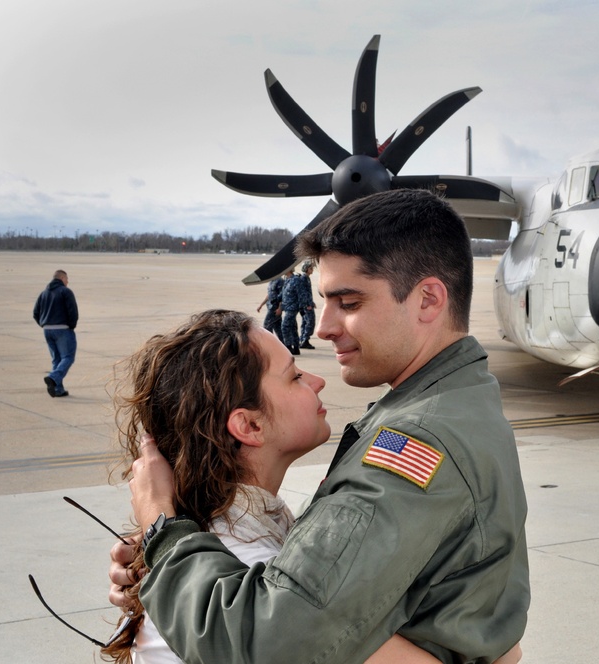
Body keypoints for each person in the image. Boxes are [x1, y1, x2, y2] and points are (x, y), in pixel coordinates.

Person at [112, 189, 530, 662]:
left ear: (428, 300)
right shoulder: (454, 399)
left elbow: (270, 641)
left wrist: (163, 536)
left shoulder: (418, 440)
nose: (322, 327)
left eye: (348, 302)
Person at [102, 309, 444, 664]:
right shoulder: (253, 572)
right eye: (294, 376)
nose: (317, 381)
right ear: (249, 426)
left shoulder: (230, 534)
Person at [32, 269, 78, 398]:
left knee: (57, 359)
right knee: (68, 357)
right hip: (63, 329)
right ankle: (53, 378)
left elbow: (35, 313)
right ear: (62, 278)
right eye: (67, 279)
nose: (68, 282)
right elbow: (73, 311)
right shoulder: (66, 292)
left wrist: (44, 324)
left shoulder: (44, 293)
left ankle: (58, 389)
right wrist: (71, 326)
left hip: (47, 330)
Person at [256, 269, 291, 343]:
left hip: (275, 307)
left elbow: (282, 296)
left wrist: (280, 308)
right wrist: (261, 305)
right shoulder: (271, 281)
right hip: (270, 306)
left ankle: (270, 343)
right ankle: (283, 344)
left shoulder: (280, 281)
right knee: (278, 328)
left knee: (267, 325)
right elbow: (269, 295)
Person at [279, 268, 303, 355]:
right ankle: (296, 348)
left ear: (288, 270)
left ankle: (288, 347)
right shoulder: (287, 280)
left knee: (284, 326)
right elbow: (284, 293)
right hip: (287, 307)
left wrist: (302, 308)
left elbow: (301, 294)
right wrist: (276, 299)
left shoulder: (296, 280)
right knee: (292, 327)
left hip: (293, 307)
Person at [297, 260, 317, 349]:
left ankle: (303, 339)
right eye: (310, 268)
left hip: (307, 304)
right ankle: (305, 340)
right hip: (306, 305)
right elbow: (303, 293)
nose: (312, 269)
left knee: (305, 322)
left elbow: (307, 293)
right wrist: (308, 304)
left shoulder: (306, 278)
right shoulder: (304, 278)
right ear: (306, 269)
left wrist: (312, 302)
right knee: (310, 322)